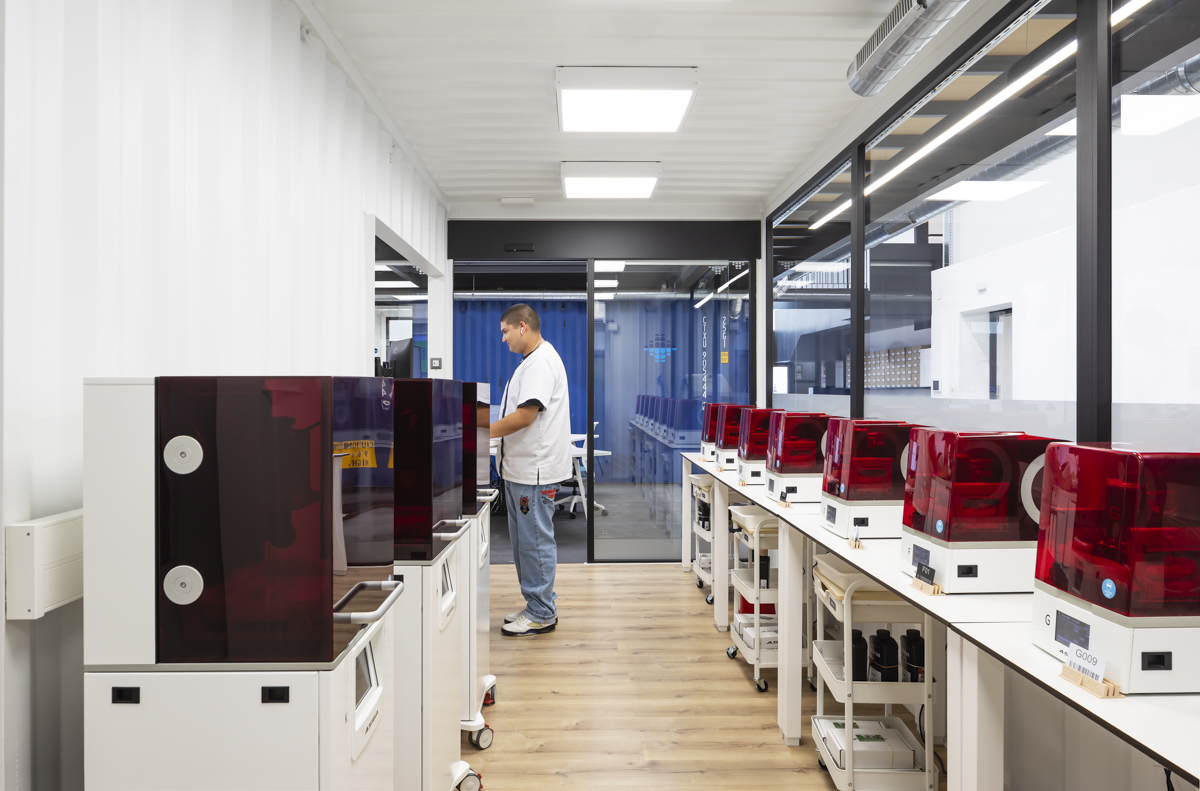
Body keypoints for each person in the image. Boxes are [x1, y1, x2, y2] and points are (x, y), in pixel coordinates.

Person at [490, 303, 572, 636]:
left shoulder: (540, 362)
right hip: (521, 470)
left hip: (533, 473)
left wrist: (480, 432)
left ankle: (541, 612)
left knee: (535, 542)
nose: (504, 339)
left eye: (506, 332)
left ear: (522, 327)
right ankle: (536, 604)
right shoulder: (532, 361)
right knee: (525, 544)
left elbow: (525, 417)